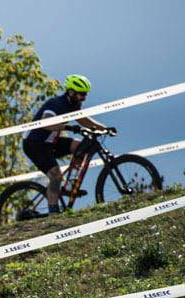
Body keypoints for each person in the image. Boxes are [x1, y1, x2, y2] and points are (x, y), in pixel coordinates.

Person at [22, 74, 115, 215]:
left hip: (50, 142)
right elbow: (47, 123)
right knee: (55, 176)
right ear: (71, 92)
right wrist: (68, 128)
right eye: (81, 94)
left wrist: (105, 128)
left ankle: (69, 187)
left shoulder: (73, 104)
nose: (84, 98)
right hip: (34, 143)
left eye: (86, 95)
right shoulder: (56, 104)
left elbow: (84, 120)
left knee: (82, 146)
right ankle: (54, 212)